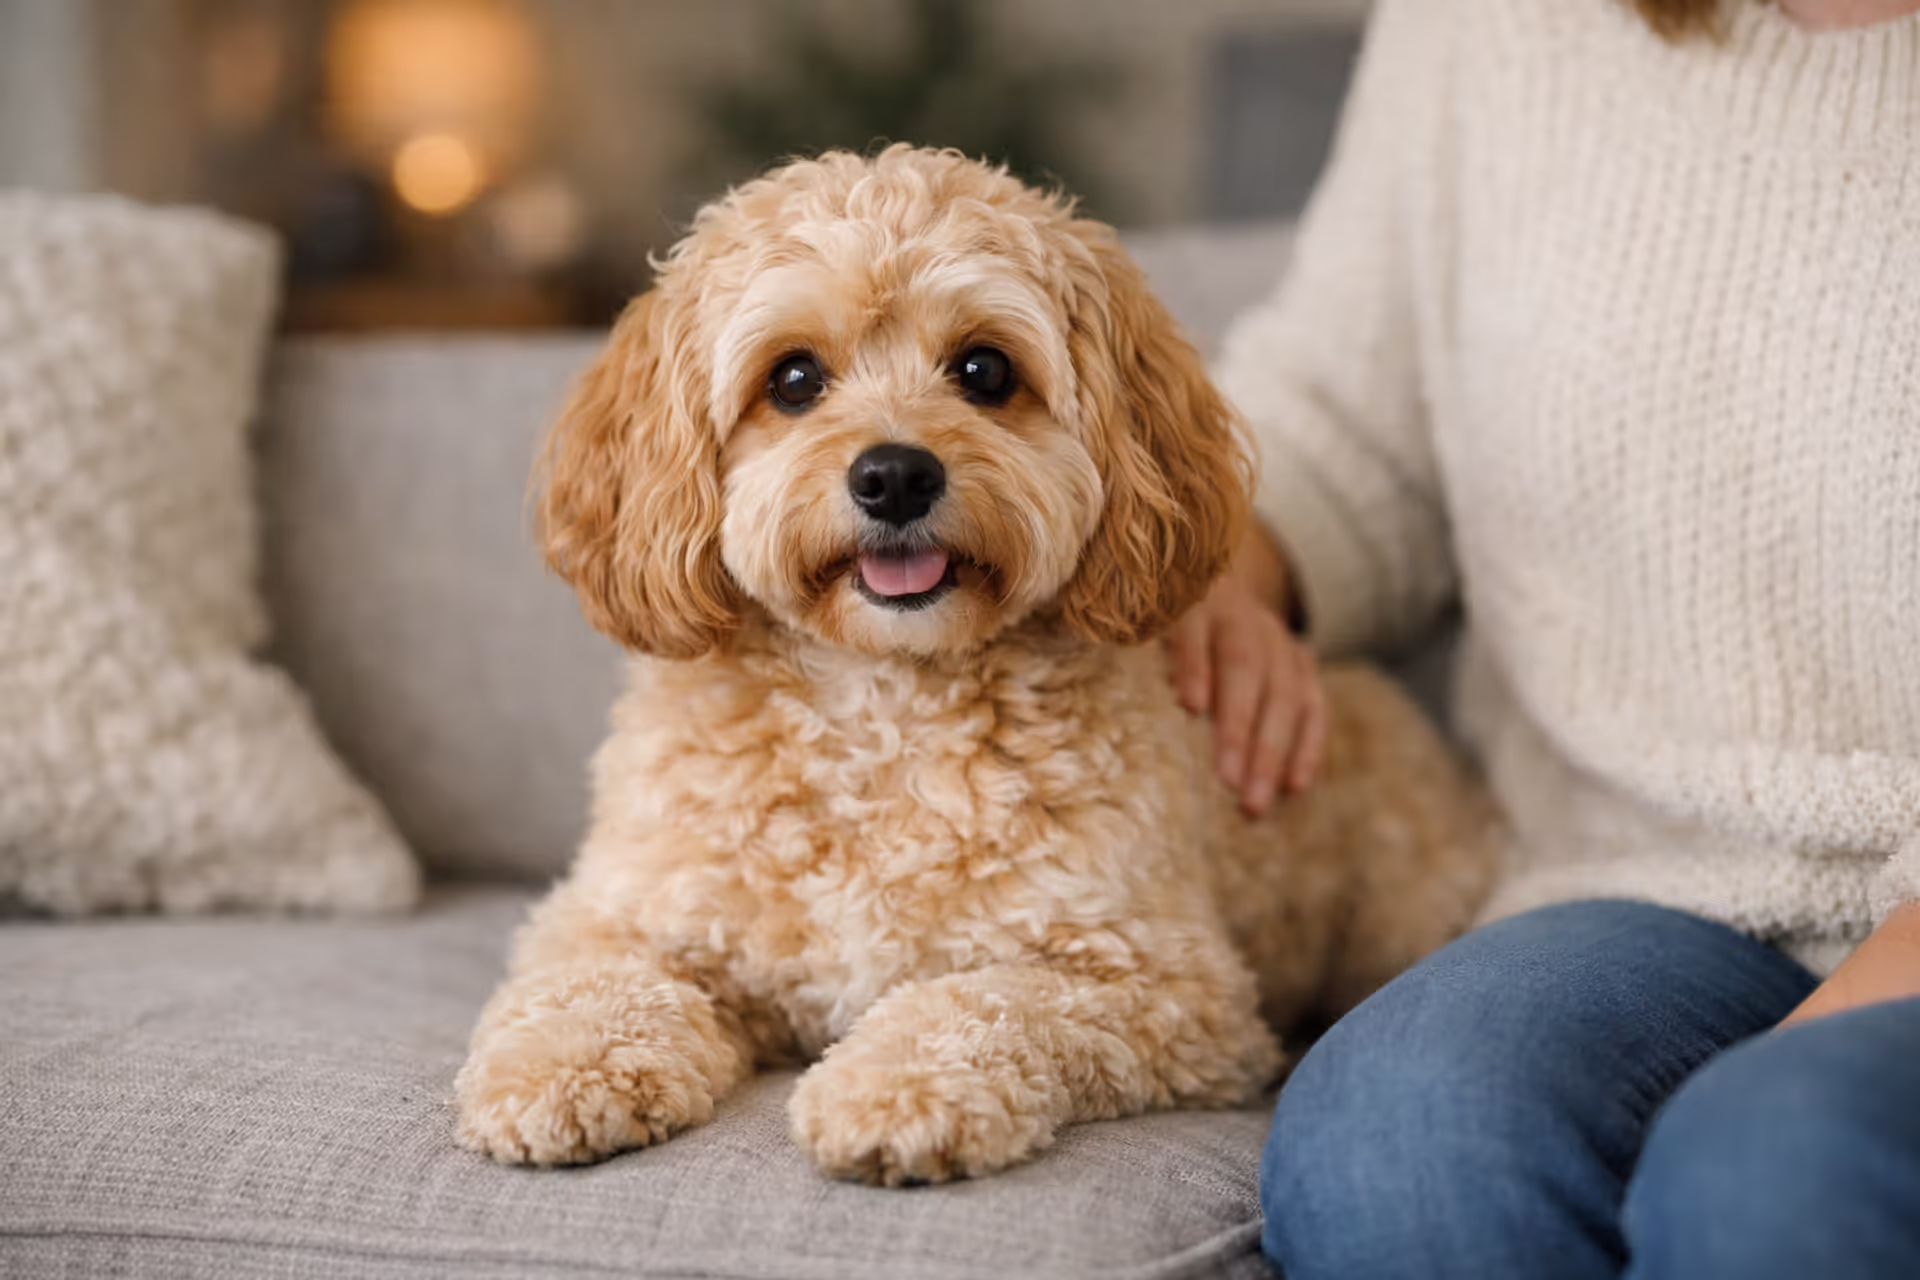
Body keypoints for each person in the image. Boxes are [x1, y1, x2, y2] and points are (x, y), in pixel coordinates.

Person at [1167, 0, 1920, 1275]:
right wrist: (1222, 570)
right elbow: (1346, 412)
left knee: (1777, 1168)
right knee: (1401, 1135)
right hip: (1636, 887)